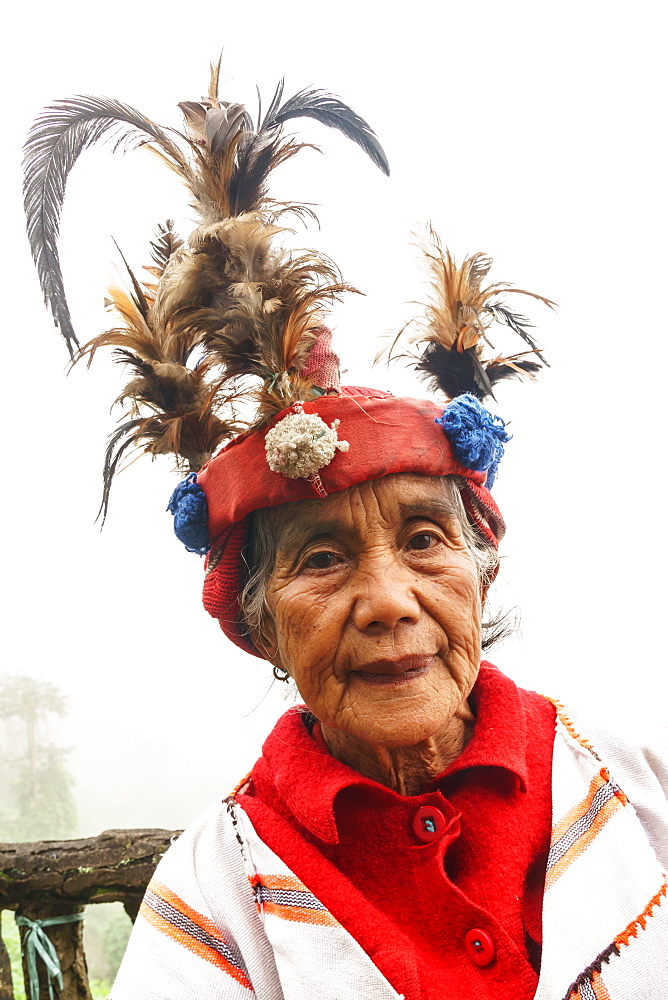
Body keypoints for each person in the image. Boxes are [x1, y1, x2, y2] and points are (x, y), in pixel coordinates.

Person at [24, 63, 668, 1000]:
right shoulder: (210, 908)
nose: (388, 601)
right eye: (322, 559)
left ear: (479, 574)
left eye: (423, 539)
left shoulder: (635, 789)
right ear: (263, 625)